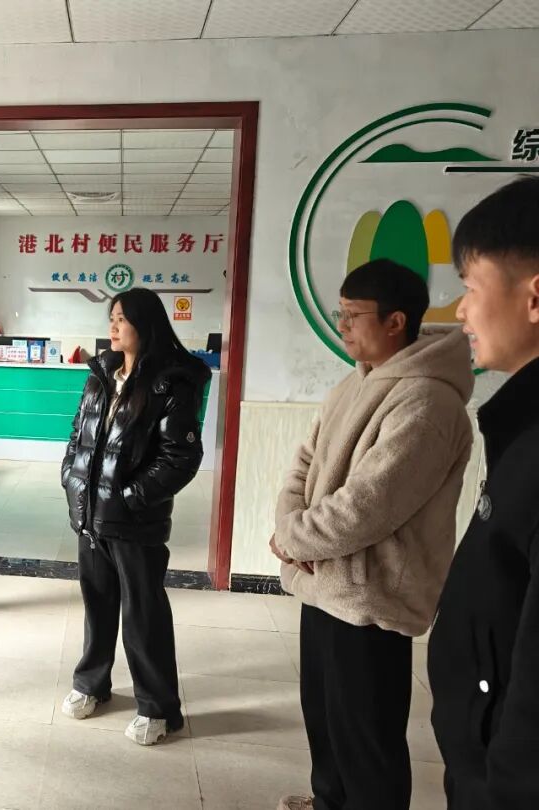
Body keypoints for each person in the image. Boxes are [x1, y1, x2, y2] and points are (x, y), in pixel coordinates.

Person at [271, 259, 474, 810]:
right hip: (323, 584)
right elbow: (302, 465)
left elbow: (368, 507)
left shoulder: (428, 402)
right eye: (340, 314)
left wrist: (293, 541)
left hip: (371, 599)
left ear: (395, 321)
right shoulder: (353, 384)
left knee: (367, 741)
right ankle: (328, 802)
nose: (342, 326)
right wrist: (290, 531)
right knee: (325, 721)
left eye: (352, 316)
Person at [428, 177, 539, 808]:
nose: (461, 311)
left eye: (471, 287)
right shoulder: (519, 425)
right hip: (478, 750)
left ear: (534, 298)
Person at [59, 287, 209, 746]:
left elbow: (180, 458)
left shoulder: (170, 383)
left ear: (146, 324)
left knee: (143, 615)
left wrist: (129, 497)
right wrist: (71, 477)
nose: (113, 326)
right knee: (97, 605)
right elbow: (78, 433)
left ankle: (159, 707)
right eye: (112, 317)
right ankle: (92, 684)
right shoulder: (102, 374)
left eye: (122, 319)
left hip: (134, 521)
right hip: (90, 514)